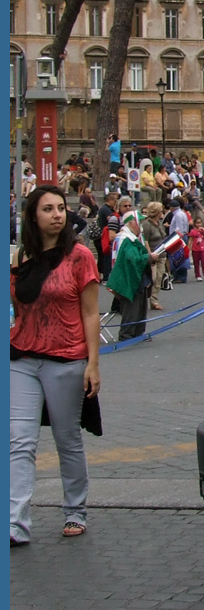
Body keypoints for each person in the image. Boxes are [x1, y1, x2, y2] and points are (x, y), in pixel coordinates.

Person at [10, 185, 100, 545]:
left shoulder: (79, 257)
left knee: (67, 438)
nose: (57, 215)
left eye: (61, 208)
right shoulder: (20, 258)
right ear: (34, 215)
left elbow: (91, 313)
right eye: (47, 209)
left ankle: (75, 510)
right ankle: (15, 522)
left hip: (67, 358)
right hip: (22, 358)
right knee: (19, 442)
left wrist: (93, 363)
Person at [107, 210, 153, 341]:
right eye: (140, 222)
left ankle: (138, 332)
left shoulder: (135, 237)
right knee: (131, 307)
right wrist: (147, 257)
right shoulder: (124, 239)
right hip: (128, 276)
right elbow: (130, 258)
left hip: (139, 274)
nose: (142, 226)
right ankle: (126, 334)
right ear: (132, 223)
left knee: (141, 306)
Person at [140, 202, 168, 310]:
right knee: (152, 277)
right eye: (161, 211)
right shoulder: (146, 225)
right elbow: (145, 240)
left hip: (162, 254)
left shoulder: (160, 223)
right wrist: (150, 254)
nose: (162, 212)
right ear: (156, 212)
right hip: (152, 254)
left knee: (158, 279)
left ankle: (154, 300)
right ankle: (145, 298)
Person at [188, 217, 204, 281]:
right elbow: (190, 240)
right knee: (196, 263)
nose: (199, 225)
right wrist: (188, 248)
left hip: (203, 249)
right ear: (195, 224)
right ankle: (198, 275)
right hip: (195, 249)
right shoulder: (193, 231)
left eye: (200, 223)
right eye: (197, 223)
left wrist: (203, 230)